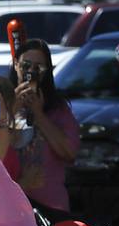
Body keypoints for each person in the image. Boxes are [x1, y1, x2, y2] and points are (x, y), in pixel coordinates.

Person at [8, 39, 80, 213]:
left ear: (47, 71)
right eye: (26, 65)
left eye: (38, 68)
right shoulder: (2, 104)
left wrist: (39, 115)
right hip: (11, 205)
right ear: (16, 65)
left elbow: (69, 153)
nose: (31, 72)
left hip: (51, 205)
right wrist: (12, 108)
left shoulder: (58, 109)